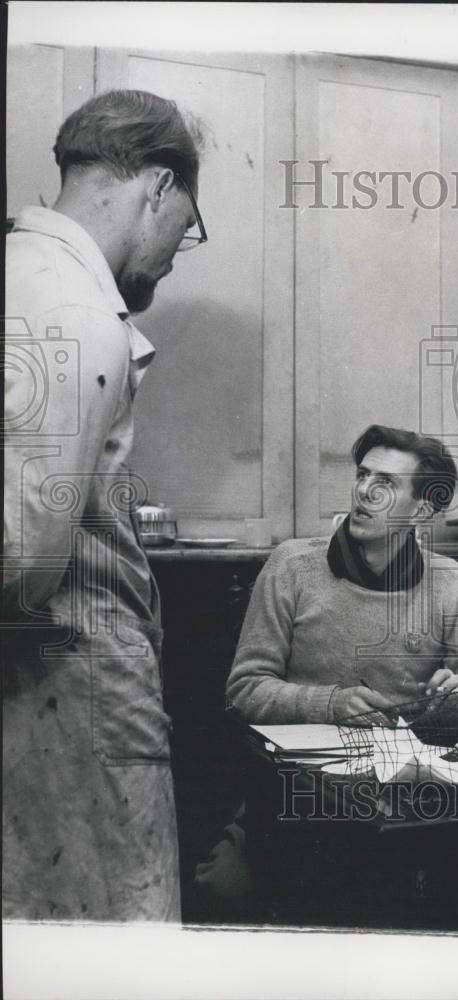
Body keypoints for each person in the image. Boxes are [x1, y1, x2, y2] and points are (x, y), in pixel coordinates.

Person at [3, 90, 206, 921]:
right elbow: (21, 557)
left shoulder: (24, 277)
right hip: (67, 685)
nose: (173, 254)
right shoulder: (73, 311)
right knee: (115, 937)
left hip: (52, 692)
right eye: (186, 226)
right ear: (158, 187)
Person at [195, 424, 458, 920]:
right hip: (291, 802)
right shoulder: (292, 567)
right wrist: (332, 702)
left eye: (387, 483)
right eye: (362, 474)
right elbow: (245, 689)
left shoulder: (450, 584)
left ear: (422, 509)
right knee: (240, 893)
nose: (364, 491)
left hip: (402, 805)